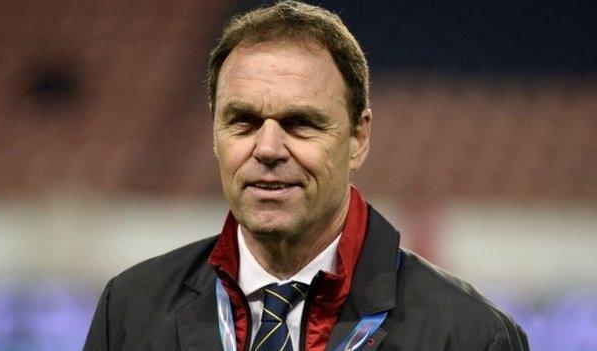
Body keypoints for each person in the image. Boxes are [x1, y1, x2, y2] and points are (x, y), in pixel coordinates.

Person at [84, 1, 529, 350]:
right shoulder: (128, 312)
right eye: (243, 121)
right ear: (215, 133)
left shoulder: (470, 336)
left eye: (301, 123)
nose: (269, 149)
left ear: (357, 138)